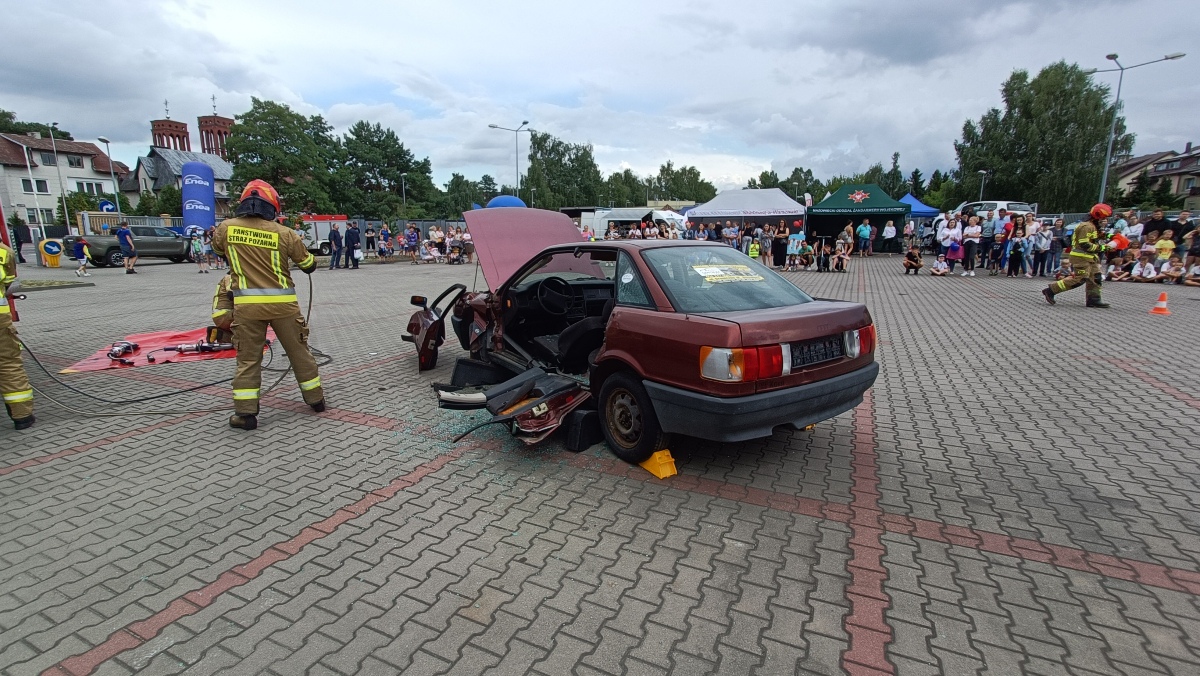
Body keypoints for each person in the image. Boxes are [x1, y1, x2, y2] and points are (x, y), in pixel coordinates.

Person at [211, 179, 324, 430]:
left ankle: (246, 414)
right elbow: (308, 265)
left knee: (248, 359)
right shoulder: (284, 233)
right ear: (272, 206)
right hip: (284, 306)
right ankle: (316, 400)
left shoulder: (227, 228)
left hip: (247, 308)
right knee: (299, 353)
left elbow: (219, 251)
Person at [1043, 204, 1112, 308]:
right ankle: (1051, 290)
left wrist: (1113, 236)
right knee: (1080, 279)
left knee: (1095, 277)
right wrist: (1102, 248)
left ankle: (1094, 299)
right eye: (1103, 218)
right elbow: (1084, 244)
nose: (1105, 221)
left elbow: (1098, 235)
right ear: (1097, 217)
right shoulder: (1087, 226)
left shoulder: (1092, 226)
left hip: (1090, 257)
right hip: (1081, 257)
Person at [1, 241, 34, 429]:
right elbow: (9, 283)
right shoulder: (4, 252)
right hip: (0, 320)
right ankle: (22, 417)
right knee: (9, 365)